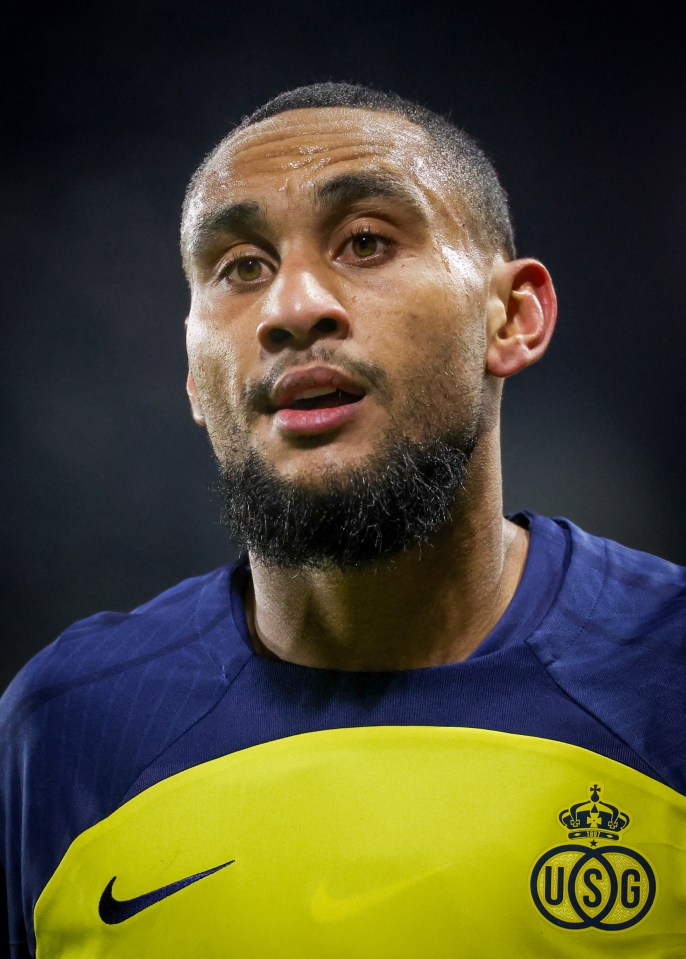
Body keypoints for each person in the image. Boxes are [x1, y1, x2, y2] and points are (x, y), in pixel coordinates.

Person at [1, 82, 684, 958]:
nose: (290, 308)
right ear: (191, 378)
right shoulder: (68, 726)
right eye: (240, 266)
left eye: (365, 241)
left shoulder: (667, 677)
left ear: (512, 316)